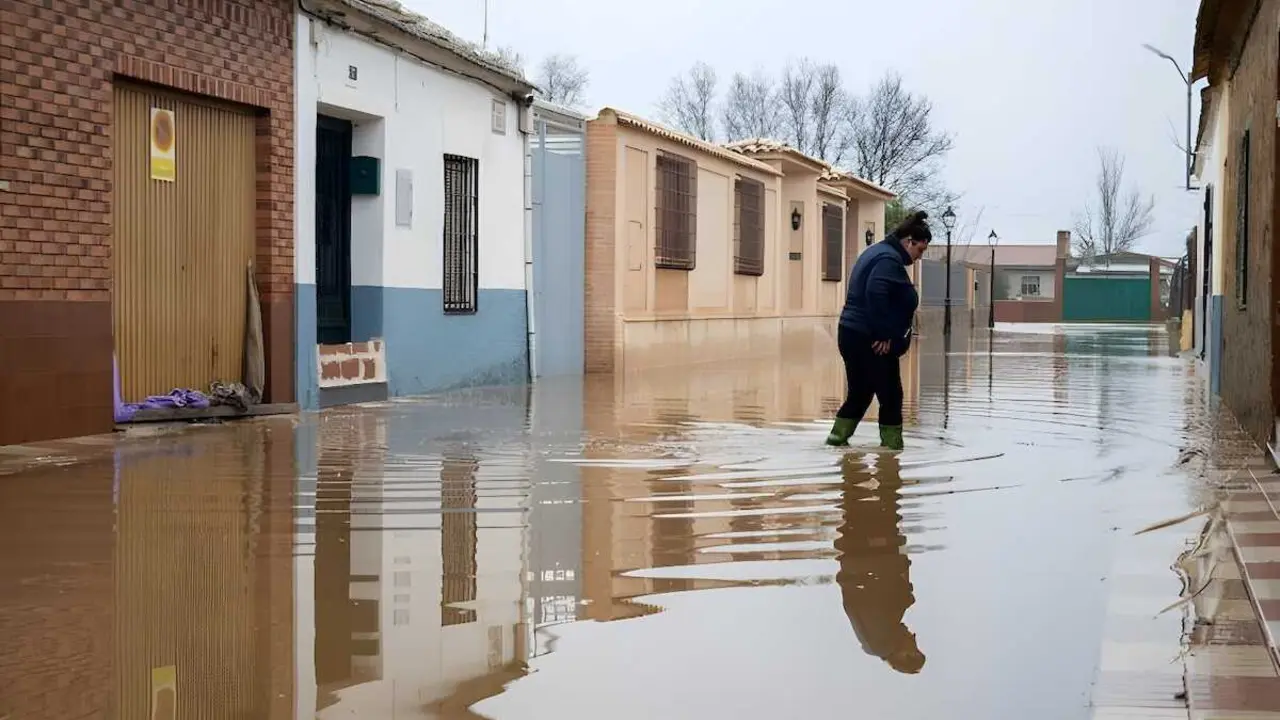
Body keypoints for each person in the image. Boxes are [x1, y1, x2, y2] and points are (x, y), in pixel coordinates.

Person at [826, 210, 931, 450]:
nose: (919, 257)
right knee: (891, 396)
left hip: (854, 333)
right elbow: (876, 291)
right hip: (869, 339)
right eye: (920, 250)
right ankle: (892, 455)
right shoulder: (887, 259)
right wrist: (882, 334)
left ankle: (835, 443)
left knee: (860, 393)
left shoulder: (878, 253)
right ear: (909, 241)